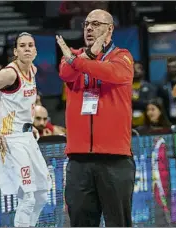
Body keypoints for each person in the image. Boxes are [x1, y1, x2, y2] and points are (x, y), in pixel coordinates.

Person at [56, 9, 136, 227]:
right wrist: (84, 56)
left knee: (118, 222)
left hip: (115, 159)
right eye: (86, 24)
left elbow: (112, 73)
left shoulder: (123, 57)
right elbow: (66, 72)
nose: (89, 28)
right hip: (79, 160)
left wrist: (79, 60)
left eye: (96, 24)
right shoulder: (71, 57)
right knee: (80, 222)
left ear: (109, 29)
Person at [0, 32, 51, 227]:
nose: (27, 48)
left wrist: (31, 125)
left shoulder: (34, 71)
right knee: (28, 197)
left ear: (36, 51)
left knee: (43, 193)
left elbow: (25, 101)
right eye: (22, 45)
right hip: (11, 139)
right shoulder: (9, 74)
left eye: (31, 45)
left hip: (27, 137)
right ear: (15, 51)